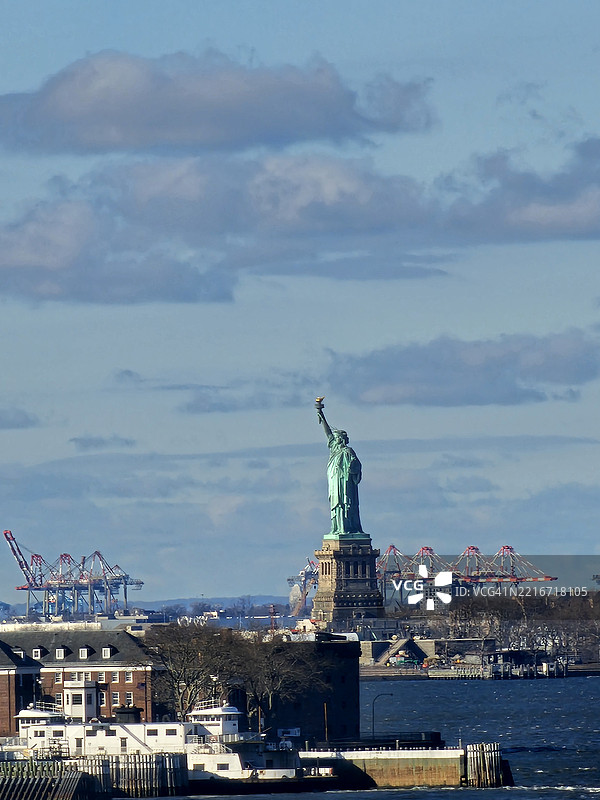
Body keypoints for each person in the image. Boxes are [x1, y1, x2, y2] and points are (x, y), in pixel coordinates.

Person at [316, 405, 363, 535]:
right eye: (334, 438)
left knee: (345, 504)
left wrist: (352, 467)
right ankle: (337, 528)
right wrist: (321, 414)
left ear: (342, 439)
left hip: (345, 482)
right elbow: (327, 433)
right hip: (334, 481)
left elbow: (356, 467)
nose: (335, 439)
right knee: (336, 504)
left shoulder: (348, 451)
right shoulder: (334, 449)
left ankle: (347, 528)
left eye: (337, 438)